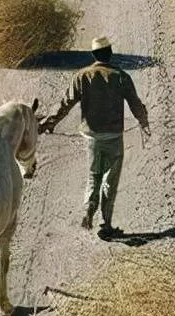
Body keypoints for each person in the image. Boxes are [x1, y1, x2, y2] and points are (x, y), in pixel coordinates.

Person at [39, 36, 150, 239]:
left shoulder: (82, 76)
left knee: (93, 175)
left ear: (93, 55)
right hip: (114, 136)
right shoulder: (121, 76)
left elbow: (65, 103)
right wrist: (144, 122)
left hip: (91, 136)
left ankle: (87, 211)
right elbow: (135, 103)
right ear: (110, 53)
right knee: (110, 179)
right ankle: (105, 224)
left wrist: (49, 122)